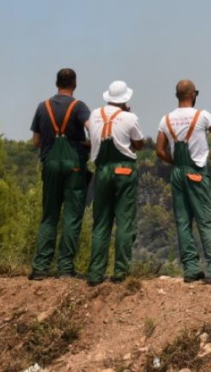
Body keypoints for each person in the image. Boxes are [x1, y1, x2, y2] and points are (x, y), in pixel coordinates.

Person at [155, 79, 211, 283]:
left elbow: (160, 150)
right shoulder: (202, 115)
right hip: (196, 173)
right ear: (193, 95)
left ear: (177, 96)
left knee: (183, 222)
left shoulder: (166, 119)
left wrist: (177, 163)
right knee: (208, 219)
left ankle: (191, 269)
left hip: (177, 174)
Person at [28, 68, 92, 280]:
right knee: (72, 217)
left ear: (56, 83)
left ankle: (40, 267)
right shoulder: (79, 106)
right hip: (74, 165)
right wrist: (86, 144)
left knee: (49, 215)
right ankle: (65, 268)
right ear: (75, 84)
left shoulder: (42, 107)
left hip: (50, 164)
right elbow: (93, 130)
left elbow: (36, 141)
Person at [86, 80, 144, 286]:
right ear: (126, 99)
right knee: (124, 222)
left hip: (101, 171)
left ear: (108, 98)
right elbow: (138, 143)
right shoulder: (130, 117)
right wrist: (127, 116)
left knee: (101, 222)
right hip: (124, 170)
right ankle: (120, 272)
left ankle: (95, 273)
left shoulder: (94, 115)